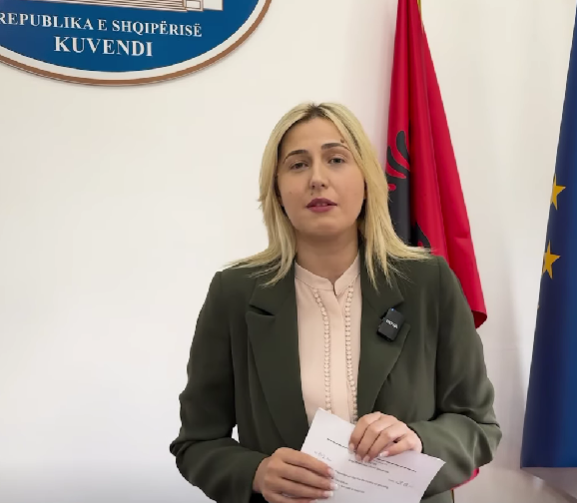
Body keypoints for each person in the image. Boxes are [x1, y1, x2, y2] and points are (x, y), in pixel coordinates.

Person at [169, 102, 501, 503]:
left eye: (336, 159)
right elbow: (197, 442)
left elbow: (479, 426)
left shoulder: (429, 283)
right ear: (277, 190)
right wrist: (255, 473)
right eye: (297, 165)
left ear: (367, 179)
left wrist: (419, 439)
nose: (317, 178)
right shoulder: (234, 293)